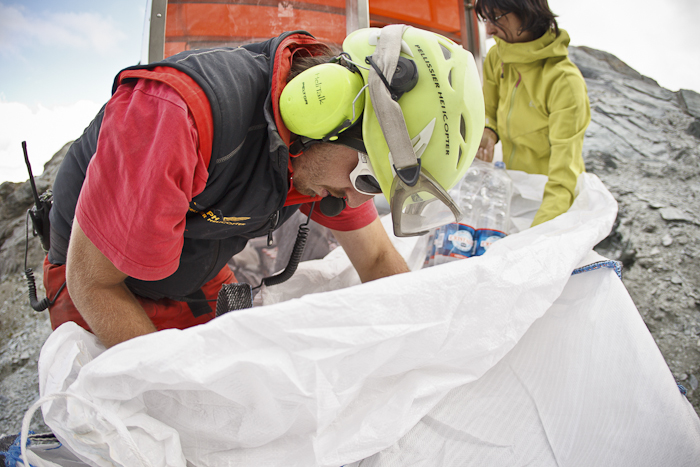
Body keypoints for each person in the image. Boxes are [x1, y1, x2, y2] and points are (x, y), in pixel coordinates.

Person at [42, 25, 485, 348]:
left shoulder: (324, 152)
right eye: (366, 179)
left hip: (197, 267)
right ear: (324, 110)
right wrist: (169, 393)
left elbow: (376, 259)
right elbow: (93, 283)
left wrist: (428, 347)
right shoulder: (175, 118)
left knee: (240, 381)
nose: (354, 199)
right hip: (102, 280)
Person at [474, 0, 591, 226]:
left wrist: (539, 233)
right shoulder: (497, 58)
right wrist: (489, 130)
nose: (488, 30)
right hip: (513, 189)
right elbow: (489, 109)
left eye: (496, 17)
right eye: (485, 19)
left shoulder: (564, 82)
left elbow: (563, 179)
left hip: (550, 200)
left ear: (527, 12)